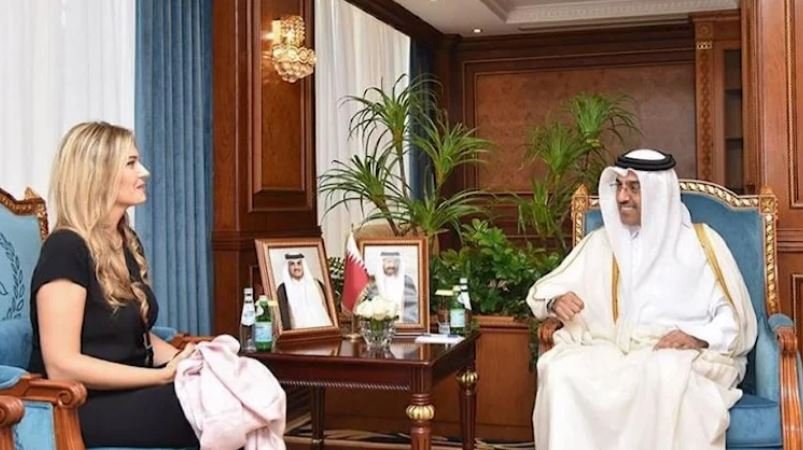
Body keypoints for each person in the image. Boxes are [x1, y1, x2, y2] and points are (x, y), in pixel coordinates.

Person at [527, 149, 757, 450]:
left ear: (659, 193)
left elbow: (733, 318)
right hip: (614, 348)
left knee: (662, 375)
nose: (622, 197)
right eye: (620, 187)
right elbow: (544, 291)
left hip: (682, 354)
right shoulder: (603, 242)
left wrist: (696, 336)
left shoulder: (701, 243)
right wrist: (555, 301)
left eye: (634, 188)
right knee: (561, 371)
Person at [28, 122, 199, 447]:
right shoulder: (65, 248)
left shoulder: (125, 240)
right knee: (209, 405)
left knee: (235, 380)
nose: (144, 171)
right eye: (131, 163)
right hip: (80, 404)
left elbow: (131, 336)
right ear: (99, 174)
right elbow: (62, 366)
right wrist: (161, 376)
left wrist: (190, 359)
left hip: (132, 391)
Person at [275, 253, 333, 330]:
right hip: (295, 335)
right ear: (288, 267)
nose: (296, 267)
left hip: (323, 332)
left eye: (299, 263)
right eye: (292, 264)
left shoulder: (317, 285)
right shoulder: (282, 289)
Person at [366, 251, 418, 323]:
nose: (392, 265)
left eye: (395, 262)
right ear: (382, 262)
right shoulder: (373, 283)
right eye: (388, 261)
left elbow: (413, 308)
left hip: (405, 324)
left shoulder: (407, 281)